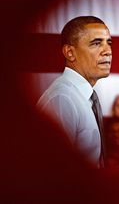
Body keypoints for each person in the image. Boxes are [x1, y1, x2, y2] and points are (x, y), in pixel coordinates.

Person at [36, 16, 112, 168]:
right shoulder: (62, 99)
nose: (108, 51)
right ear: (70, 53)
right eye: (96, 43)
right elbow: (52, 171)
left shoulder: (83, 96)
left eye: (109, 43)